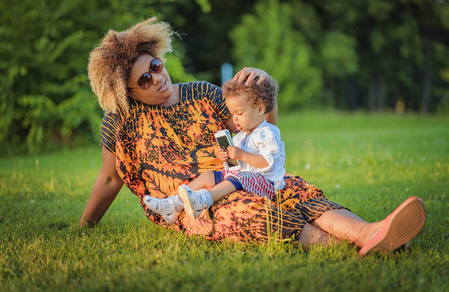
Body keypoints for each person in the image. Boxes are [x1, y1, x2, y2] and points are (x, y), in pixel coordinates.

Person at [80, 17, 427, 257]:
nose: (156, 77)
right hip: (187, 205)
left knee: (290, 186)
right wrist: (85, 228)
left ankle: (369, 232)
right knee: (246, 213)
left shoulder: (201, 92)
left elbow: (261, 130)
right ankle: (357, 249)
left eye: (155, 66)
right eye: (143, 80)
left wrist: (264, 92)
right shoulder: (120, 124)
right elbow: (110, 178)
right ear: (126, 93)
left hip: (237, 177)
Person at [144, 75, 286, 222]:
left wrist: (241, 155)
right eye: (232, 114)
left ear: (260, 109)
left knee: (238, 178)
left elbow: (268, 164)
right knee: (209, 175)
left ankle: (204, 200)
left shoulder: (267, 132)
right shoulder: (242, 136)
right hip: (246, 178)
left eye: (239, 113)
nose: (235, 119)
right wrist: (228, 158)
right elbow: (240, 165)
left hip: (267, 184)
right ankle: (173, 204)